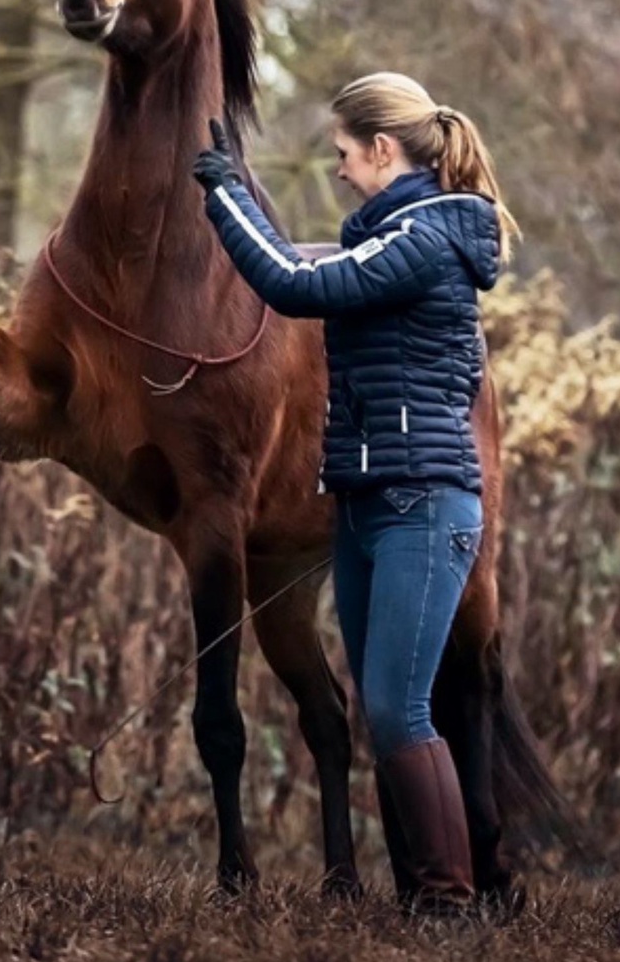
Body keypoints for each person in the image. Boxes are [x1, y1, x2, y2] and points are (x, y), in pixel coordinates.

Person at [191, 71, 519, 916]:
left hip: (425, 505)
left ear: (381, 149)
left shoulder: (427, 239)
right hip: (368, 503)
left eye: (342, 152)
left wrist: (226, 196)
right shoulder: (386, 239)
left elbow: (297, 287)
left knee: (398, 708)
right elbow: (311, 270)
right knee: (388, 708)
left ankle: (448, 902)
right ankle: (424, 894)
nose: (337, 169)